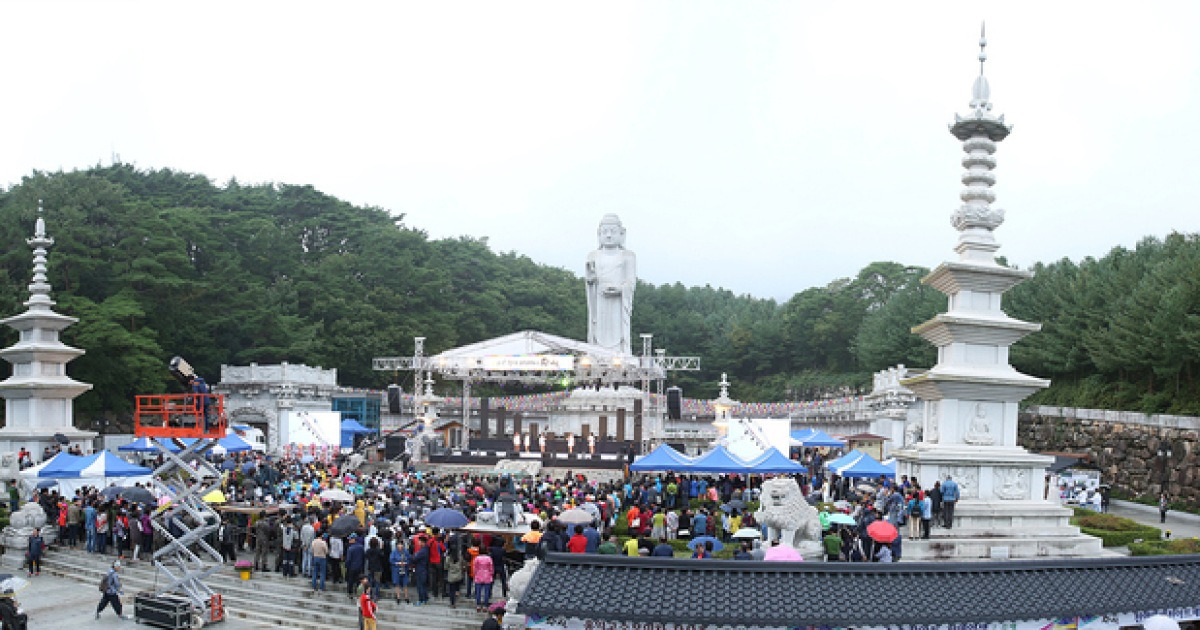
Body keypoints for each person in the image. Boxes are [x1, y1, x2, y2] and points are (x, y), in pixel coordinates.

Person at [584, 213, 637, 354]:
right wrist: (591, 280)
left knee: (617, 327)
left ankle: (621, 351)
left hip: (618, 302)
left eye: (613, 232)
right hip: (600, 300)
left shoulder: (628, 256)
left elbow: (631, 282)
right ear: (598, 234)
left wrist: (620, 289)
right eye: (604, 232)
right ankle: (596, 351)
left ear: (622, 234)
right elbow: (590, 281)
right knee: (599, 327)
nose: (608, 235)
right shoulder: (593, 255)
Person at [472, 543, 494, 613]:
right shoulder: (489, 558)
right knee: (486, 592)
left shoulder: (477, 558)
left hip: (478, 575)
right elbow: (491, 568)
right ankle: (485, 606)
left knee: (478, 591)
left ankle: (478, 605)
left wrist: (475, 574)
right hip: (487, 576)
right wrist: (491, 573)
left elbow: (474, 568)